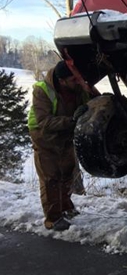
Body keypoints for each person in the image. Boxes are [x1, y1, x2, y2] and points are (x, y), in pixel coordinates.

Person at [28, 61, 90, 231]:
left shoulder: (75, 86)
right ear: (62, 81)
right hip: (44, 137)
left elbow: (89, 101)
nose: (76, 82)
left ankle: (65, 206)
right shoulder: (42, 90)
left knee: (67, 172)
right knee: (51, 178)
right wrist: (71, 120)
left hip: (64, 135)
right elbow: (44, 122)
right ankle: (53, 219)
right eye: (73, 80)